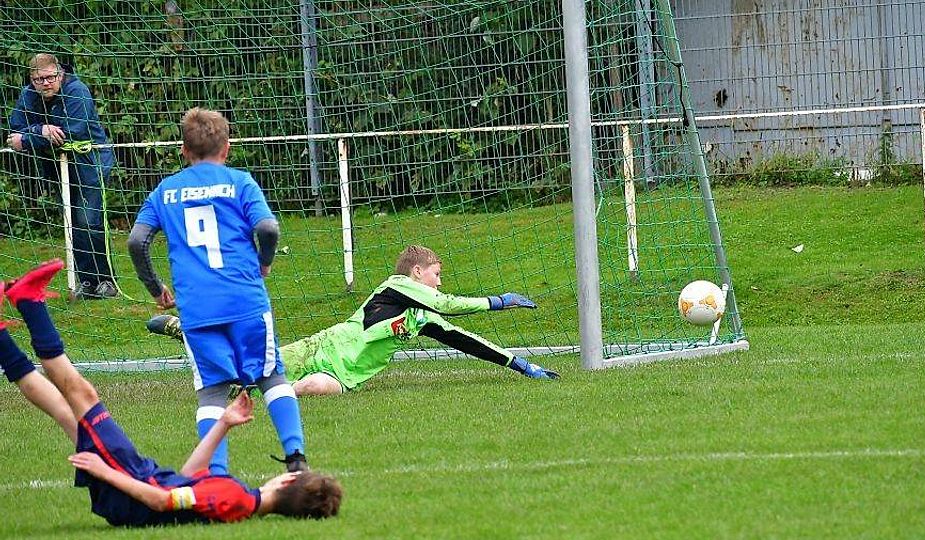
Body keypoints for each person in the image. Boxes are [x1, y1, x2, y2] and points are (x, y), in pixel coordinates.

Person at [0, 259, 341, 527]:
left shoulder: (234, 498)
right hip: (132, 488)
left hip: (131, 480)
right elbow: (187, 479)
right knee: (65, 411)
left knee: (82, 395)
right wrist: (223, 424)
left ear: (285, 483)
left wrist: (105, 472)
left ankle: (30, 303)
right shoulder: (238, 501)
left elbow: (163, 501)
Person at [127, 107, 308, 474]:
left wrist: (155, 287)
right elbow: (268, 228)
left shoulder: (165, 191)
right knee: (271, 376)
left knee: (212, 390)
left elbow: (136, 240)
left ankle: (218, 474)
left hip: (197, 309)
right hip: (245, 299)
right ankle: (296, 458)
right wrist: (264, 262)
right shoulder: (240, 182)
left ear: (183, 150)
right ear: (226, 148)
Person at [149, 245, 560, 397]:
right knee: (249, 362)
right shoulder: (395, 285)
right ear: (417, 273)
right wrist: (499, 301)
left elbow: (466, 340)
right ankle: (187, 331)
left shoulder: (422, 318)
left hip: (344, 375)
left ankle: (257, 390)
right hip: (320, 346)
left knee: (313, 388)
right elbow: (450, 305)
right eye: (436, 273)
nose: (440, 281)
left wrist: (521, 365)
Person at [6, 53, 117, 300]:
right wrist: (41, 130)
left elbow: (70, 133)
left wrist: (30, 137)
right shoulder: (28, 95)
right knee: (72, 223)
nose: (45, 83)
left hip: (90, 163)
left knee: (89, 220)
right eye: (39, 80)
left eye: (50, 77)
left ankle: (106, 281)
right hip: (57, 167)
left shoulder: (77, 91)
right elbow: (14, 131)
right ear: (31, 79)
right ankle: (87, 281)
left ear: (60, 73)